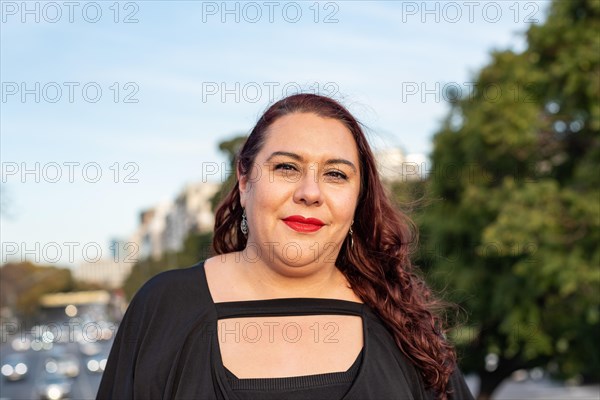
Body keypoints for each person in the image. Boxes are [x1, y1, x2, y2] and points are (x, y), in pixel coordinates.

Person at [97, 93, 474, 400]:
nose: (310, 193)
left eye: (335, 174)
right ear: (244, 181)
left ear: (358, 199)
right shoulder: (164, 308)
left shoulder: (403, 326)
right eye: (287, 168)